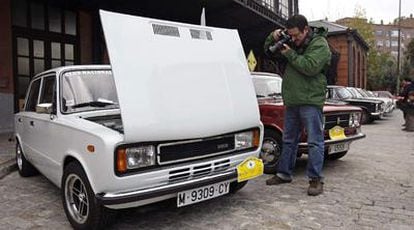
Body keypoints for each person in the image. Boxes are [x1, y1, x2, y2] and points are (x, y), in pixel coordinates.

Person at [263, 15, 331, 196]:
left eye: (296, 36)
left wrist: (289, 53)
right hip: (292, 100)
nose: (293, 39)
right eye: (290, 35)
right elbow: (268, 51)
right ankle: (284, 174)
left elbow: (310, 67)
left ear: (306, 30)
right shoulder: (292, 41)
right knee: (288, 139)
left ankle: (316, 180)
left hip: (310, 101)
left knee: (314, 142)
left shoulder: (320, 44)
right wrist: (274, 36)